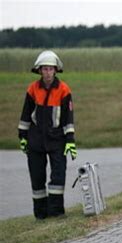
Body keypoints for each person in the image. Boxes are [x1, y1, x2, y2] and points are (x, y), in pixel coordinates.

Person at [18, 50, 77, 220]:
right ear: (39, 70)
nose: (48, 73)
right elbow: (25, 115)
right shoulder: (33, 89)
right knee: (37, 178)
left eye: (51, 69)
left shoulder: (64, 90)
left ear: (56, 70)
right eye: (44, 69)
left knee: (58, 177)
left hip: (57, 140)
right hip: (35, 140)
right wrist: (22, 137)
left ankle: (56, 212)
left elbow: (68, 119)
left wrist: (70, 141)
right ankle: (41, 214)